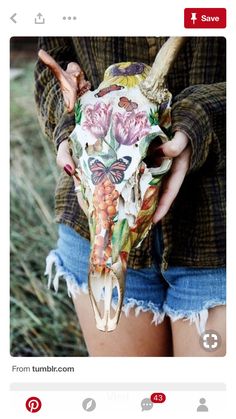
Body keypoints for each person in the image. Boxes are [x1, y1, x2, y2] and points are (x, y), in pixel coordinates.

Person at [35, 37, 226, 356]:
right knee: (127, 399)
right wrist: (74, 118)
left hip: (217, 233)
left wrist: (201, 117)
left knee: (205, 401)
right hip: (92, 227)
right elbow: (50, 64)